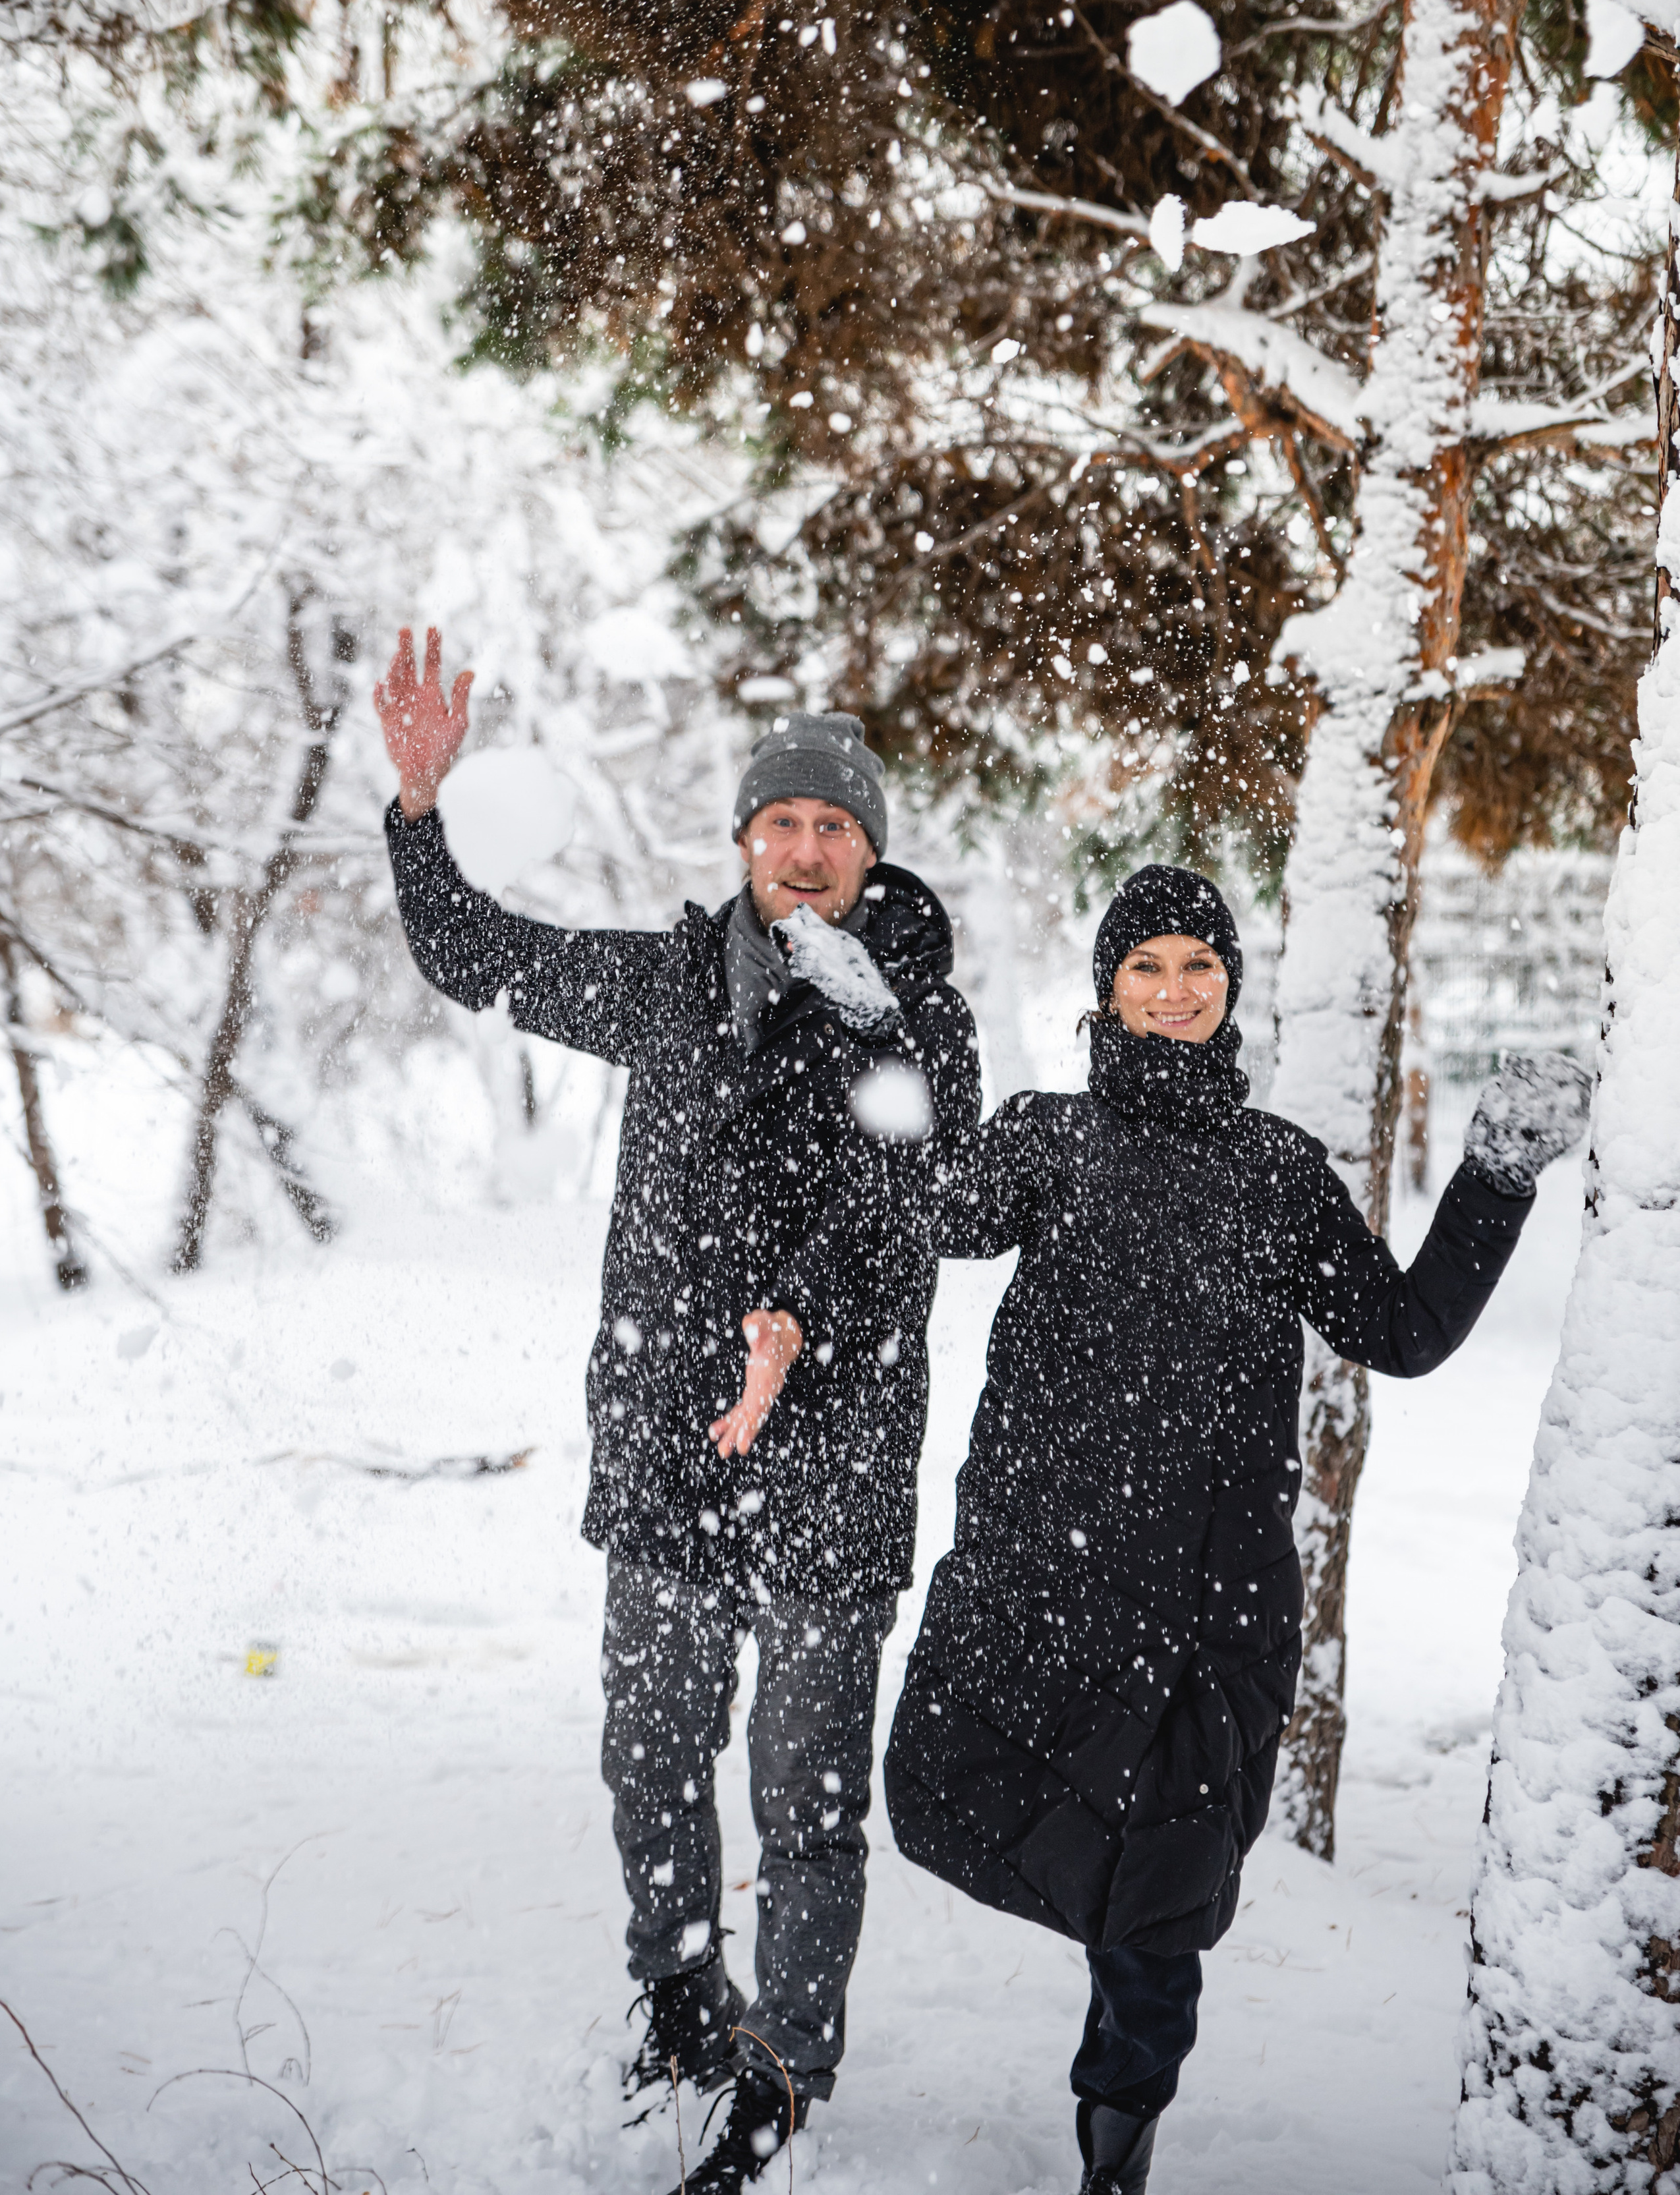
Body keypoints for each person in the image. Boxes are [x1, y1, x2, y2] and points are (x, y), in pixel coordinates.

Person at [877, 863, 1590, 2195]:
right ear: (1105, 993)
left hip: (1206, 1602)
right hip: (1045, 1575)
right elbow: (923, 1205)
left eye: (1194, 967)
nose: (1169, 989)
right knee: (942, 1803)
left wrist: (1494, 1174)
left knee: (1157, 1921)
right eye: (1143, 967)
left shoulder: (1273, 1172)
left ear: (1227, 989)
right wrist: (901, 1012)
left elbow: (1404, 1333)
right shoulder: (1044, 1138)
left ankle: (1115, 2154)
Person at [373, 628, 980, 2192]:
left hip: (833, 1465)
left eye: (833, 826)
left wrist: (802, 1330)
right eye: (780, 822)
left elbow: (924, 1195)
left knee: (804, 1797)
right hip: (666, 1449)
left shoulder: (926, 1021)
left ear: (868, 854)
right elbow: (476, 957)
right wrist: (420, 803)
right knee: (649, 1755)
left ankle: (782, 2072)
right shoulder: (662, 984)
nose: (803, 847)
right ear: (742, 843)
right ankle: (679, 1995)